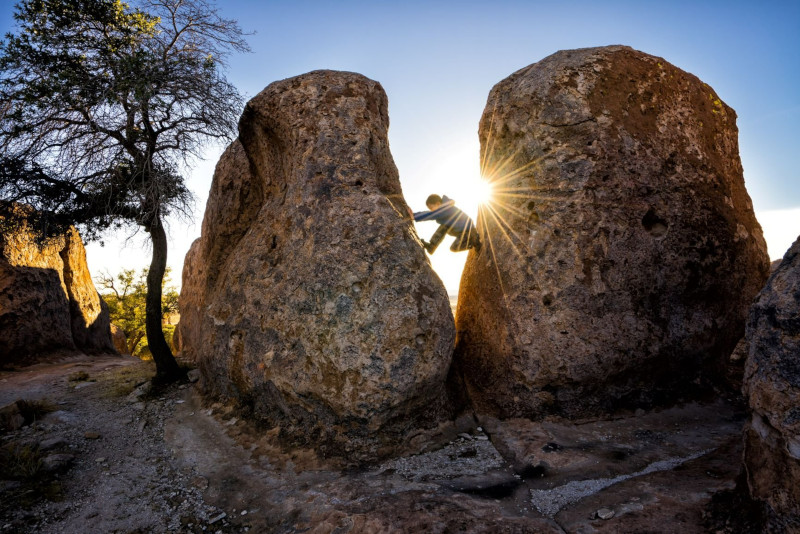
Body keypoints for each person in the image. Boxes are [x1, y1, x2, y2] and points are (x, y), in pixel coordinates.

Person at [412, 194, 481, 254]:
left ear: (438, 204)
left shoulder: (446, 209)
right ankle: (432, 246)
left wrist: (414, 216)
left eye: (431, 208)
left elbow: (430, 215)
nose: (431, 210)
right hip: (461, 231)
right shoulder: (445, 208)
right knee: (444, 226)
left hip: (469, 231)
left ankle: (475, 241)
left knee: (454, 248)